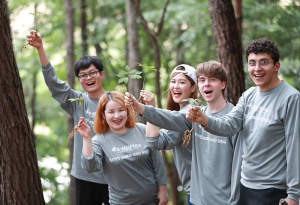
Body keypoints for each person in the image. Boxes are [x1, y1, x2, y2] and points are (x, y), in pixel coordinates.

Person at [186, 38, 300, 205]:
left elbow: (295, 147)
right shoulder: (249, 95)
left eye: (264, 62)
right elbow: (228, 125)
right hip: (244, 186)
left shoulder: (291, 98)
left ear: (276, 66)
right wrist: (203, 119)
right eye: (252, 63)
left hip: (272, 189)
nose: (257, 68)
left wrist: (294, 194)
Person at [125, 60, 243, 205]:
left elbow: (239, 166)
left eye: (212, 79)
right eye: (202, 80)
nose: (206, 84)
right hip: (196, 198)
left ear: (222, 84)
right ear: (198, 85)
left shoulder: (233, 118)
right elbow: (172, 118)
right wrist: (143, 108)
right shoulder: (195, 115)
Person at [26, 30, 109, 205]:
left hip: (113, 175)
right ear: (79, 80)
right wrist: (41, 48)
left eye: (92, 73)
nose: (88, 78)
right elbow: (54, 83)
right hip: (84, 176)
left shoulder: (116, 102)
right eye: (83, 75)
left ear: (101, 74)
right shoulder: (77, 101)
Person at [77, 91, 168, 205]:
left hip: (153, 201)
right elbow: (90, 167)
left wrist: (163, 190)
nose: (117, 116)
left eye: (121, 110)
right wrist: (86, 138)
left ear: (127, 110)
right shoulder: (99, 141)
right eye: (111, 112)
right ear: (103, 115)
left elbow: (157, 162)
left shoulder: (143, 130)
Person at [142, 64, 198, 204]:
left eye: (182, 82)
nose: (176, 86)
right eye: (173, 82)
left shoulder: (187, 115)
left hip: (199, 193)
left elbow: (155, 142)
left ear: (193, 88)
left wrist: (150, 109)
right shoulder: (194, 111)